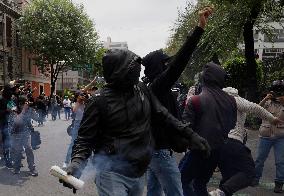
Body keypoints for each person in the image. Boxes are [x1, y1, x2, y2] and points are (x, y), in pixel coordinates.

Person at [60, 49, 210, 196]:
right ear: (121, 71)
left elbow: (164, 115)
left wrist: (190, 135)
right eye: (134, 69)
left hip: (138, 172)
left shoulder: (142, 90)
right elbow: (85, 139)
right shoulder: (99, 101)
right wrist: (76, 164)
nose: (139, 73)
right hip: (112, 174)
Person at [141, 7, 213, 196]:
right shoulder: (157, 86)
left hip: (154, 151)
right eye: (164, 64)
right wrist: (199, 29)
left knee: (154, 192)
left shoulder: (153, 88)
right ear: (158, 67)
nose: (167, 67)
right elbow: (179, 62)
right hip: (160, 153)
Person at [209, 87, 283, 196]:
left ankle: (222, 191)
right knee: (249, 172)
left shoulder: (214, 102)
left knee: (228, 174)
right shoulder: (235, 99)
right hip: (232, 140)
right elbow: (256, 108)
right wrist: (272, 119)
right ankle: (220, 192)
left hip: (216, 142)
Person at [180, 62, 237, 196]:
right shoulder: (231, 101)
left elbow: (186, 128)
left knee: (182, 180)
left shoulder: (195, 100)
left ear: (204, 78)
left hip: (198, 150)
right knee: (200, 183)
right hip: (218, 150)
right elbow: (232, 124)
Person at [253, 80, 284, 193]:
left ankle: (279, 183)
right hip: (265, 135)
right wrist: (266, 98)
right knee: (259, 160)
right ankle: (255, 179)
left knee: (280, 161)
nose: (278, 93)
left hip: (280, 137)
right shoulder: (267, 102)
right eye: (276, 91)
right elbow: (255, 109)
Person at [10, 96, 38, 176]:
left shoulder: (28, 110)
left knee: (29, 149)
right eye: (25, 103)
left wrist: (35, 113)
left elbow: (35, 118)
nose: (27, 104)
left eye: (27, 102)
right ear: (20, 104)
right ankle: (16, 167)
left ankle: (32, 168)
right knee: (17, 151)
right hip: (16, 133)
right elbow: (16, 122)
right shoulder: (14, 110)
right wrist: (23, 112)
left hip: (25, 133)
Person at [63, 93, 88, 168]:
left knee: (86, 143)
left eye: (83, 96)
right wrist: (78, 101)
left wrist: (85, 101)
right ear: (77, 97)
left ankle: (85, 163)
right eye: (80, 96)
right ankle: (66, 162)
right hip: (77, 124)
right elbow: (74, 110)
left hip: (85, 124)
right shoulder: (75, 104)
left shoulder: (85, 104)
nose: (82, 97)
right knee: (73, 143)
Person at [0, 85, 13, 168]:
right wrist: (6, 111)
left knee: (9, 143)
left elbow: (12, 109)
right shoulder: (1, 100)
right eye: (9, 91)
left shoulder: (10, 100)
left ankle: (9, 159)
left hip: (10, 123)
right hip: (3, 124)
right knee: (6, 143)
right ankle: (7, 160)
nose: (11, 93)